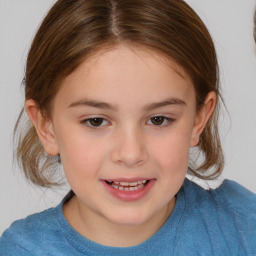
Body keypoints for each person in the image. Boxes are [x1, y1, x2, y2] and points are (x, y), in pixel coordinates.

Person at [0, 0, 255, 255]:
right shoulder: (20, 250)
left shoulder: (244, 228)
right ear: (46, 127)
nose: (131, 154)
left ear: (199, 119)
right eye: (96, 121)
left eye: (158, 119)